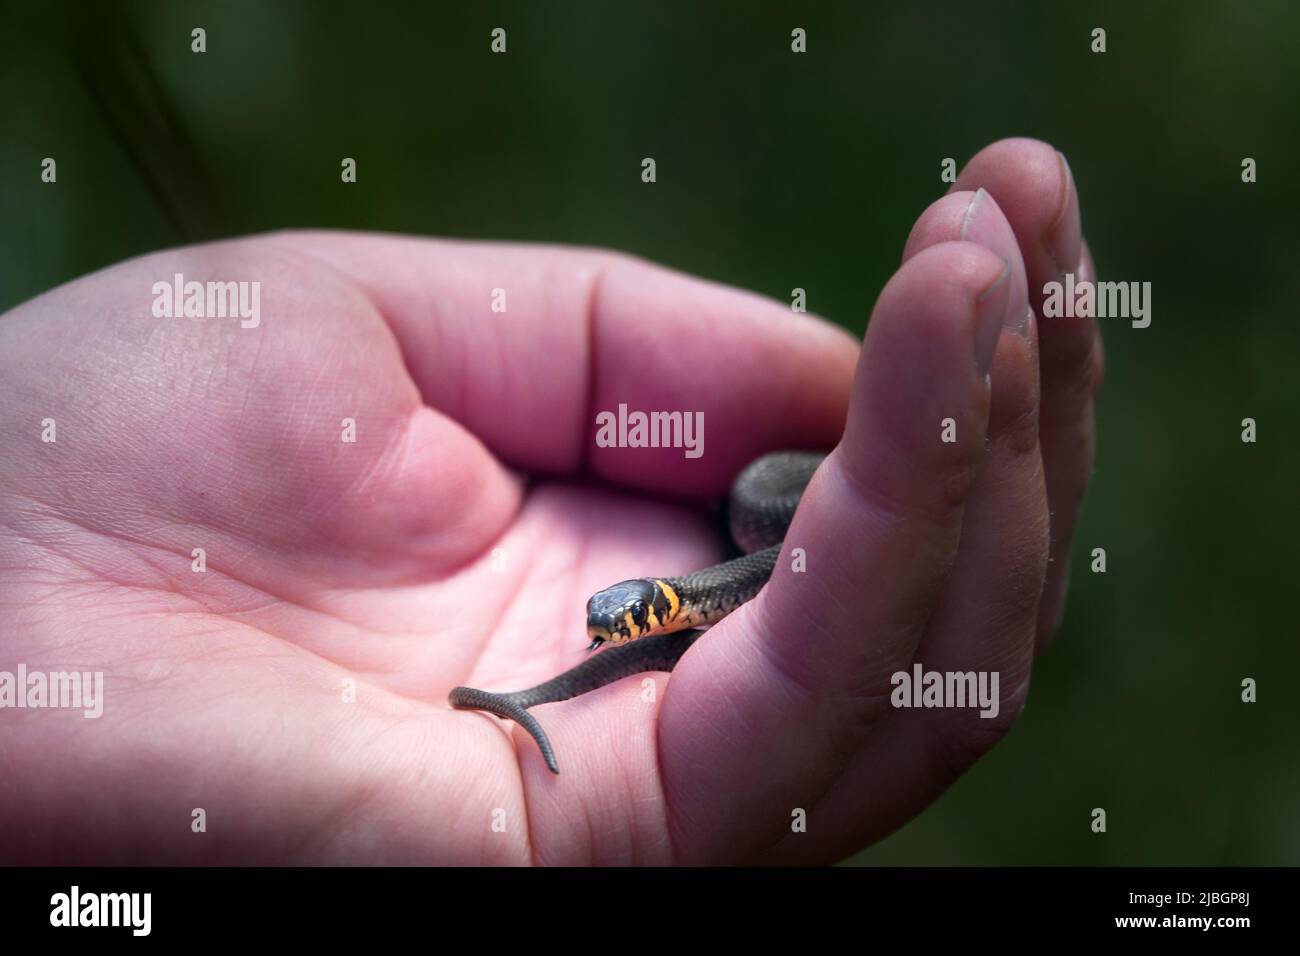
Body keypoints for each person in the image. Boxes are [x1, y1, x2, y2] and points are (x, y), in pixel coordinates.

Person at [0, 138, 1101, 864]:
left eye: (619, 623)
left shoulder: (752, 537)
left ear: (662, 608)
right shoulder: (719, 580)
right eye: (617, 621)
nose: (612, 625)